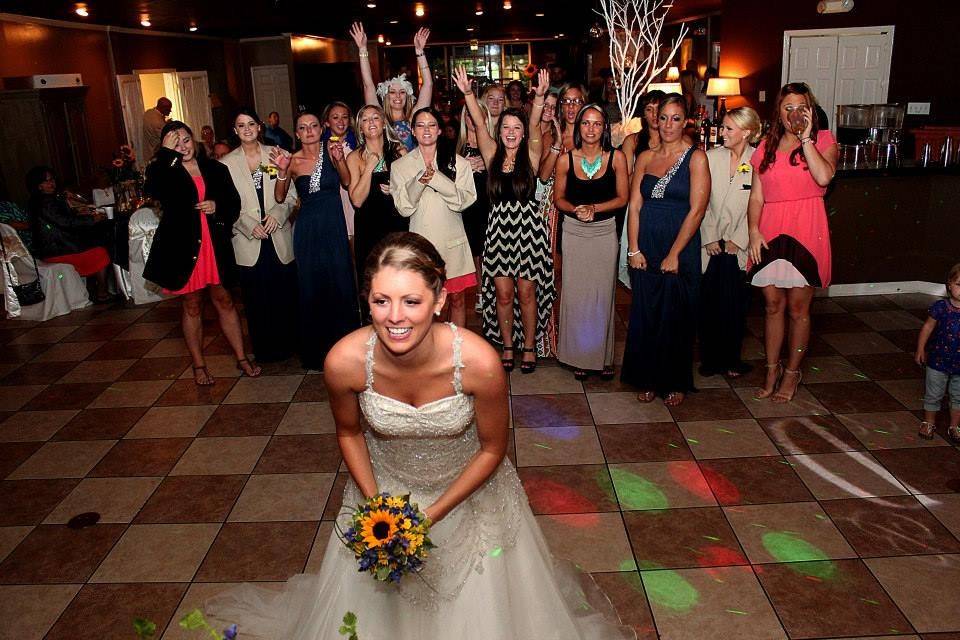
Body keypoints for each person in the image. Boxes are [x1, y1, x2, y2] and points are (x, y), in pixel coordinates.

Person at [205, 231, 636, 640]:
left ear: (440, 300)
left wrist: (425, 519)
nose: (395, 317)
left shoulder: (480, 363)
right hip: (383, 492)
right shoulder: (344, 361)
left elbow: (493, 449)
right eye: (380, 301)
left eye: (411, 301)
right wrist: (377, 509)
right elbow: (350, 433)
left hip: (469, 496)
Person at [143, 121, 261, 384]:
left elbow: (233, 203)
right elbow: (152, 190)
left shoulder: (215, 168)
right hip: (184, 248)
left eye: (186, 139)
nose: (182, 146)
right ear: (166, 147)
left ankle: (242, 357)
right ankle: (198, 365)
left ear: (194, 140)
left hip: (214, 244)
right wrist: (166, 155)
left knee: (225, 300)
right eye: (175, 142)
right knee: (193, 305)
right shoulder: (165, 170)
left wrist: (216, 206)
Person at [454, 67, 554, 374]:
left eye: (516, 128)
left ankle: (528, 347)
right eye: (506, 127)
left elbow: (536, 121)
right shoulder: (491, 152)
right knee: (503, 293)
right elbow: (481, 125)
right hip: (498, 231)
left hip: (529, 231)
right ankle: (508, 345)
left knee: (526, 292)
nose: (511, 132)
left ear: (523, 133)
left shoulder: (533, 154)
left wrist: (538, 97)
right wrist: (469, 94)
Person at [748, 82, 838, 402]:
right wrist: (753, 232)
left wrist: (806, 139)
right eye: (787, 108)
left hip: (806, 227)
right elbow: (756, 197)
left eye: (800, 107)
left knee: (799, 309)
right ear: (778, 113)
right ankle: (771, 368)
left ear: (810, 110)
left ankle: (792, 372)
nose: (794, 114)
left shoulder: (825, 141)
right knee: (772, 306)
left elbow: (824, 177)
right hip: (770, 228)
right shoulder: (764, 148)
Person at [621, 95, 709, 406]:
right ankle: (646, 377)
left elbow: (697, 210)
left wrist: (675, 254)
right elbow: (634, 205)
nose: (668, 124)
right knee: (646, 314)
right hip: (646, 244)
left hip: (680, 245)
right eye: (663, 118)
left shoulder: (696, 158)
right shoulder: (644, 156)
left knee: (676, 316)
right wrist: (633, 248)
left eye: (675, 118)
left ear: (685, 121)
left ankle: (674, 381)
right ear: (655, 121)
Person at [271, 110, 359, 371]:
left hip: (334, 226)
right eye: (302, 127)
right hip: (308, 229)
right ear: (296, 133)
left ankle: (347, 350)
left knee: (341, 283)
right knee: (313, 286)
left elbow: (346, 182)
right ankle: (317, 351)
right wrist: (283, 171)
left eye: (313, 126)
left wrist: (340, 159)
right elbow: (279, 197)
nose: (308, 131)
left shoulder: (332, 151)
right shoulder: (293, 160)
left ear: (321, 129)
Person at [553, 104, 629, 380]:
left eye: (597, 124)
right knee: (575, 294)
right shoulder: (565, 160)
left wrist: (594, 209)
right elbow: (558, 198)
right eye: (586, 123)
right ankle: (578, 357)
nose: (591, 129)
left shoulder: (616, 158)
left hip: (604, 232)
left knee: (601, 295)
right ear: (578, 126)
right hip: (574, 231)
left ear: (605, 128)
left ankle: (602, 357)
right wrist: (576, 210)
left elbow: (623, 198)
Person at [220, 107, 299, 363]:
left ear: (259, 127)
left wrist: (278, 213)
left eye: (251, 124)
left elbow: (291, 196)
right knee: (256, 299)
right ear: (235, 131)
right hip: (248, 239)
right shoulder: (226, 164)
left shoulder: (277, 155)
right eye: (241, 125)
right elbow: (225, 205)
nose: (246, 129)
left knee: (283, 293)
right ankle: (264, 350)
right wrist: (245, 224)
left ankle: (287, 346)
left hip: (277, 234)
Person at [390, 107, 477, 328]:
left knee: (456, 299)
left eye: (431, 125)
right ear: (412, 130)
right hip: (421, 244)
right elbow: (404, 208)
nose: (426, 130)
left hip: (453, 240)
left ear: (439, 130)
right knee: (425, 301)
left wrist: (437, 178)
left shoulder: (458, 163)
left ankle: (455, 351)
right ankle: (429, 352)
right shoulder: (400, 166)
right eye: (420, 125)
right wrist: (420, 180)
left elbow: (464, 201)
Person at [698, 106, 761, 378]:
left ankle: (732, 359)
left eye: (728, 128)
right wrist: (710, 236)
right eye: (722, 127)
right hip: (711, 244)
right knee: (709, 303)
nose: (721, 132)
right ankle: (710, 359)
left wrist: (739, 239)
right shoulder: (710, 158)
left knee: (735, 305)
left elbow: (759, 204)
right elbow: (700, 201)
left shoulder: (759, 159)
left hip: (739, 245)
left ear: (746, 132)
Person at [348, 104, 408, 319]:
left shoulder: (400, 151)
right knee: (373, 280)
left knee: (398, 276)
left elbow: (411, 191)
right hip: (368, 227)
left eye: (375, 118)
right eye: (365, 120)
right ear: (360, 128)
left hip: (395, 224)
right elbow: (356, 199)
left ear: (383, 123)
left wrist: (396, 190)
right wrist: (369, 168)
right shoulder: (355, 157)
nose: (371, 123)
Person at [25, 166, 113, 303]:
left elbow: (62, 218)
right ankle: (102, 293)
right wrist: (91, 219)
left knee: (97, 242)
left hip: (55, 247)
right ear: (38, 186)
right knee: (100, 251)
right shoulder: (44, 202)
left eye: (52, 180)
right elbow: (65, 222)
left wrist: (80, 213)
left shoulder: (41, 200)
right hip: (56, 250)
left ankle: (96, 290)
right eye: (47, 181)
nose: (52, 183)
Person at [350, 22, 434, 151]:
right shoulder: (379, 116)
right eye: (392, 92)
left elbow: (428, 84)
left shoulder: (414, 117)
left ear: (408, 96)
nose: (398, 96)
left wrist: (419, 51)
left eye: (402, 92)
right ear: (386, 96)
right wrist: (362, 49)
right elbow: (368, 85)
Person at [916, 263, 960, 442]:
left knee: (958, 395)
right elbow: (927, 327)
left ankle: (955, 426)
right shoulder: (940, 307)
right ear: (950, 284)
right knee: (934, 393)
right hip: (938, 360)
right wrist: (920, 348)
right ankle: (928, 422)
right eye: (959, 285)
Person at [456, 104, 491, 278]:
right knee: (473, 253)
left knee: (489, 251)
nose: (472, 118)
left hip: (489, 204)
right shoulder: (456, 145)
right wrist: (463, 166)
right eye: (468, 114)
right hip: (467, 207)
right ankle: (479, 293)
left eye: (476, 114)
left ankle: (492, 293)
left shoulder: (492, 144)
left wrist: (488, 163)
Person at [621, 90, 667, 173]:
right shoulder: (632, 141)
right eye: (649, 109)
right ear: (644, 114)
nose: (654, 114)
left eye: (658, 108)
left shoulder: (674, 140)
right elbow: (626, 178)